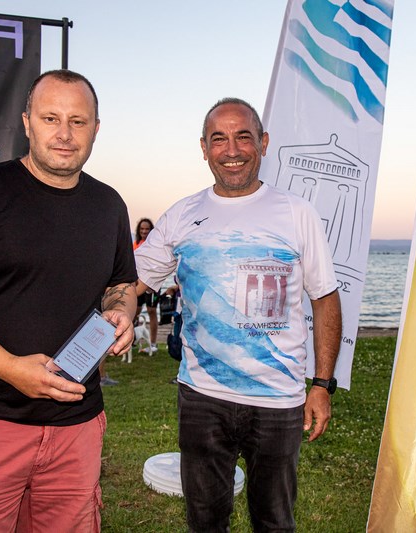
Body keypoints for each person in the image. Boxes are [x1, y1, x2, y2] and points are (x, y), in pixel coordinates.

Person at [0, 69, 137, 532]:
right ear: (27, 122)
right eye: (51, 118)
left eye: (78, 121)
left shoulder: (109, 204)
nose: (64, 133)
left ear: (96, 128)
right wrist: (13, 369)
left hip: (76, 424)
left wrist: (121, 310)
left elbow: (121, 283)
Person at [134, 97, 342, 532]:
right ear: (204, 148)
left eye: (243, 137)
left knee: (274, 521)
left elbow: (325, 298)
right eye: (219, 139)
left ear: (263, 143)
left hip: (278, 400)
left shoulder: (296, 213)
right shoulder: (182, 214)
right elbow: (135, 280)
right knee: (205, 522)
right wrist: (109, 306)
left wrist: (322, 385)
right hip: (202, 397)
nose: (231, 150)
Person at [132, 217, 159, 354]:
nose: (144, 231)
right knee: (134, 312)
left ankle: (153, 344)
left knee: (151, 311)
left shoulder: (155, 245)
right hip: (137, 283)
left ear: (151, 230)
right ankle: (131, 341)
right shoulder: (135, 244)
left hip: (151, 283)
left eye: (147, 229)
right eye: (142, 229)